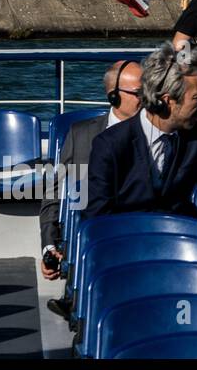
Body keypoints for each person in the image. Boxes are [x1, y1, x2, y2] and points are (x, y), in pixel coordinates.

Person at [85, 43, 197, 232]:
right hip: (127, 243)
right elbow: (98, 216)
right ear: (168, 100)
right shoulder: (110, 144)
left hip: (183, 243)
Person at [39, 61, 143, 306]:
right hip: (93, 238)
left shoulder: (160, 134)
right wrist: (49, 247)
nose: (147, 98)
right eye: (139, 93)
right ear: (114, 96)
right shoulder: (81, 134)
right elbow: (55, 195)